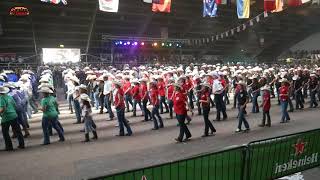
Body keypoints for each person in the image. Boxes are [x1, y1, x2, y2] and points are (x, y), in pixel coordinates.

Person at [0, 86, 25, 151]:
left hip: (6, 117)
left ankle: (9, 146)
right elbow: (14, 105)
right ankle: (22, 144)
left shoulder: (1, 99)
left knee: (5, 132)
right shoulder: (10, 97)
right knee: (18, 131)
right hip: (14, 115)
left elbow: (2, 109)